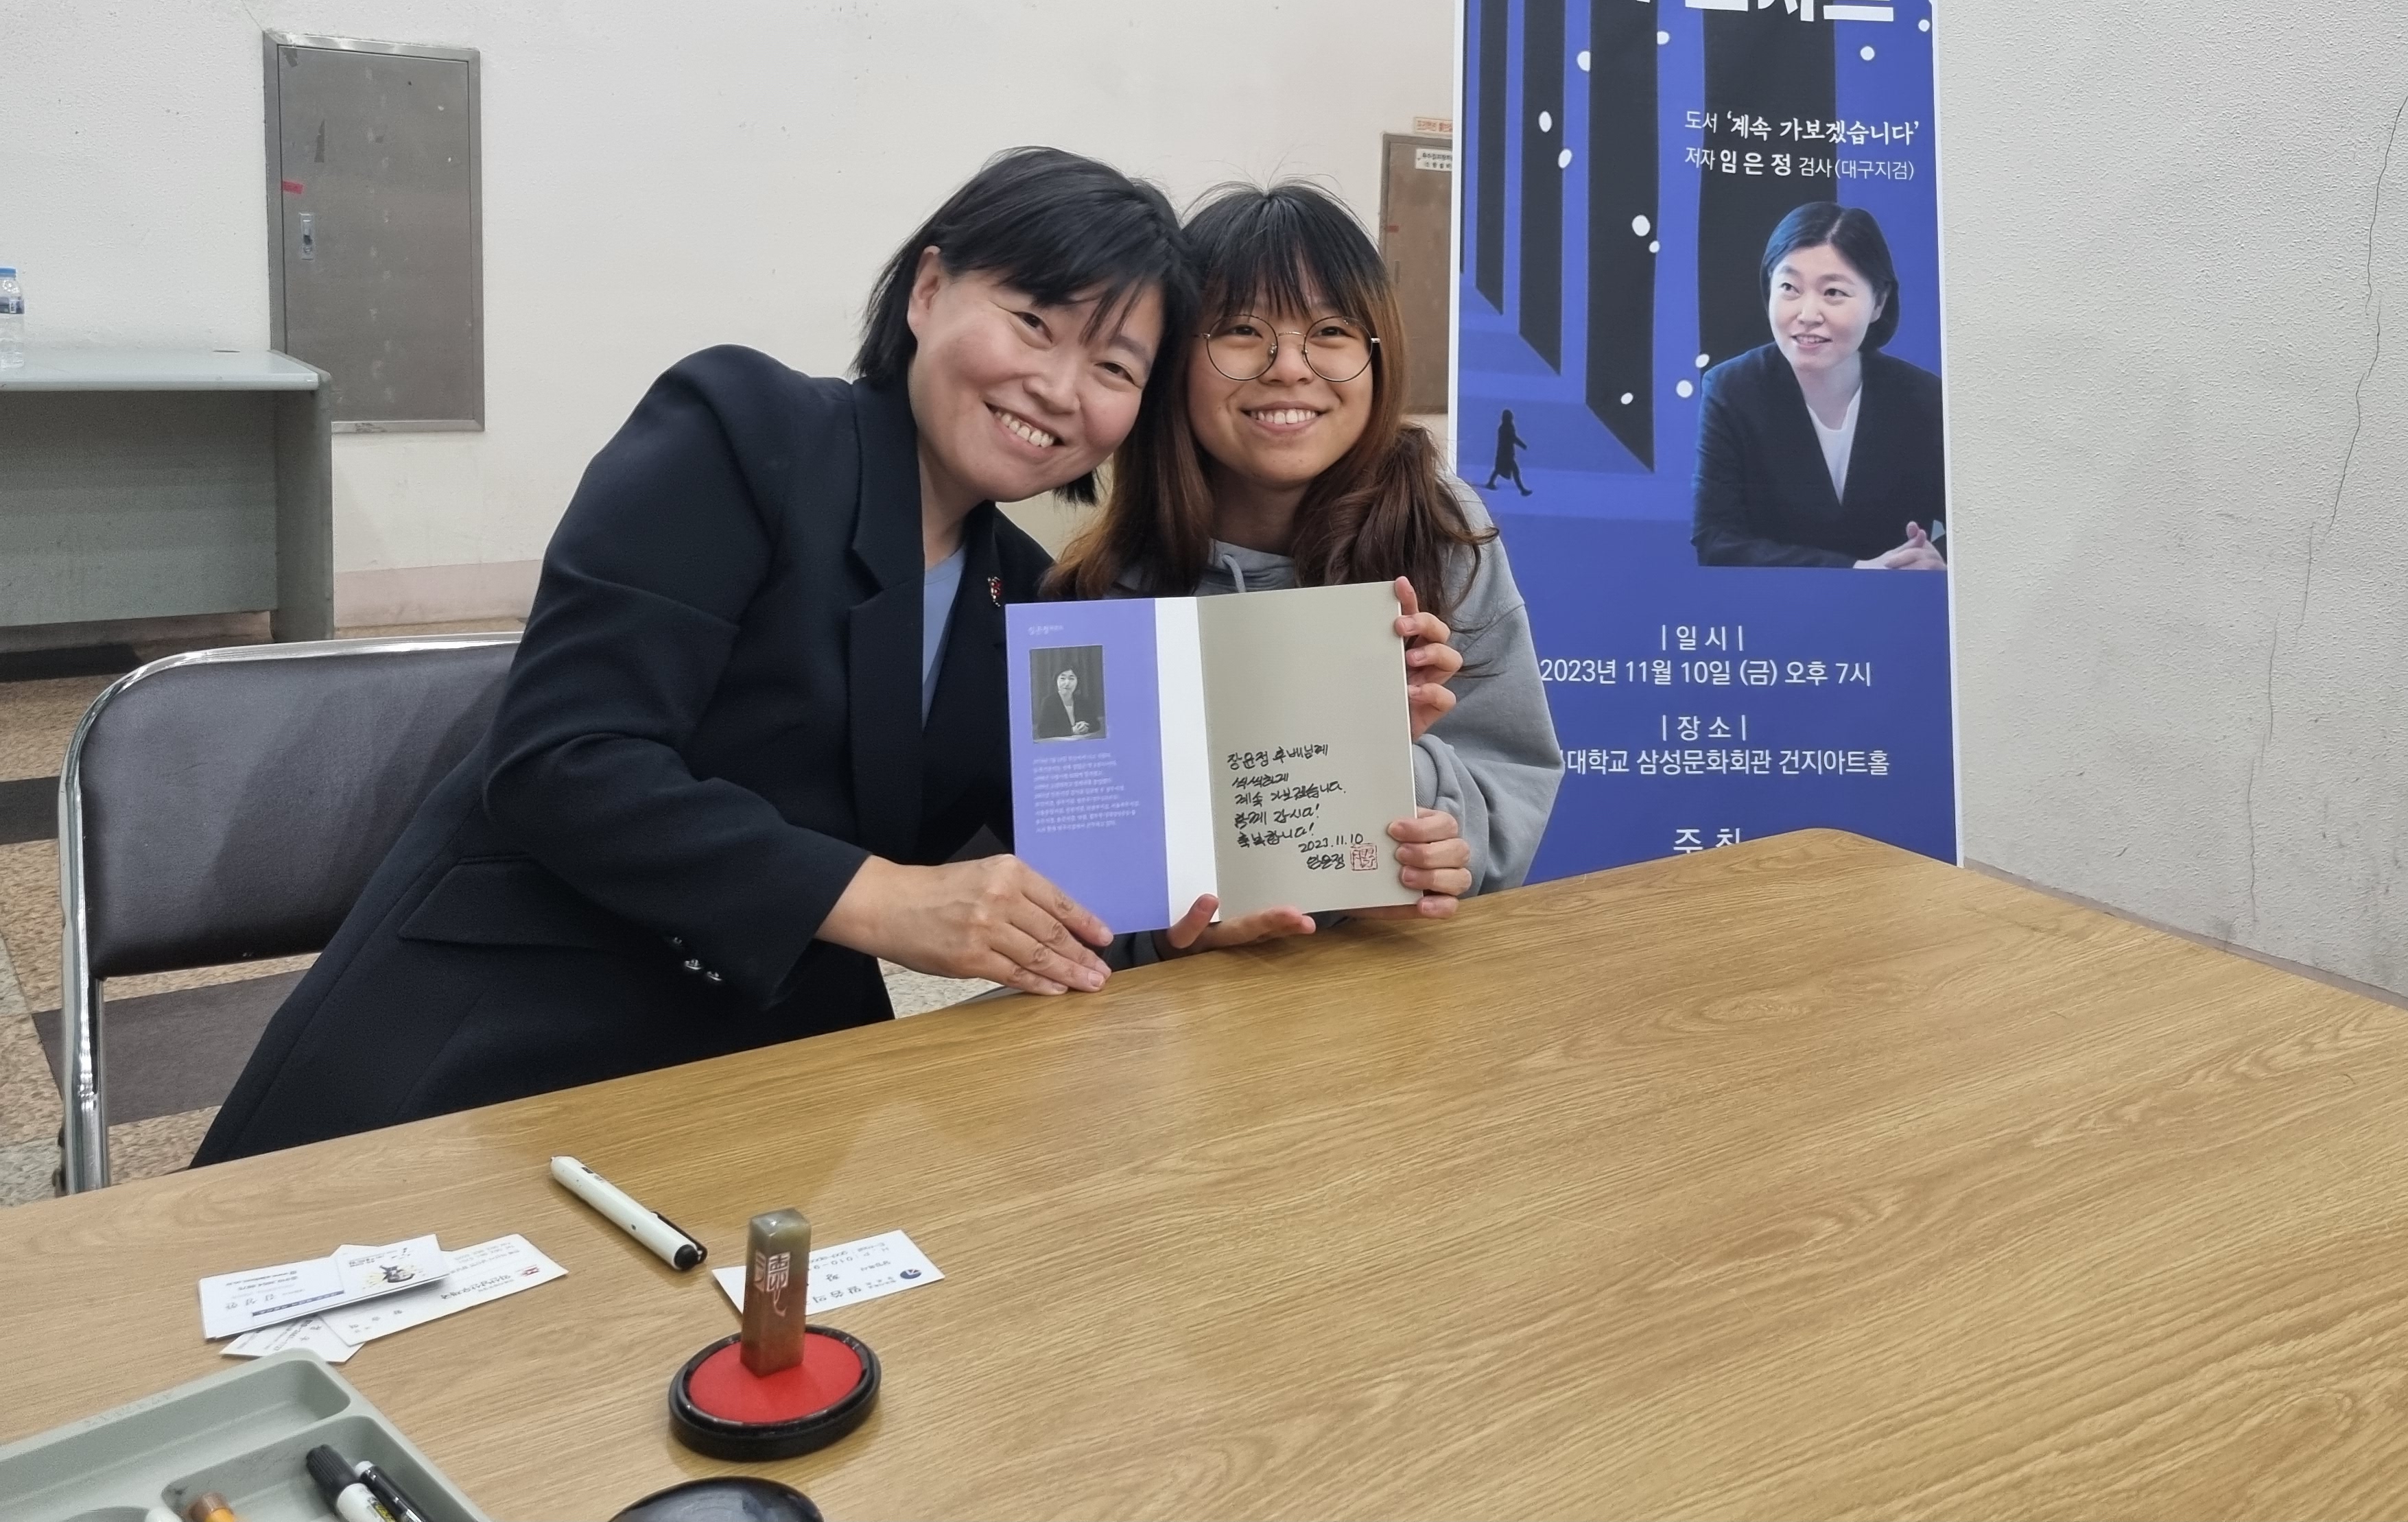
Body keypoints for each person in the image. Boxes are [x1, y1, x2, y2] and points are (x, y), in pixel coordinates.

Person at [198, 148, 1190, 1162]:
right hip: (500, 1034)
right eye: (1034, 322)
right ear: (929, 290)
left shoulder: (1030, 597)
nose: (1058, 387)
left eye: (1114, 368)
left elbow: (1099, 856)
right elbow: (564, 759)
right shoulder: (746, 428)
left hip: (760, 1069)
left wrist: (1191, 911)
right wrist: (884, 899)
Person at [1053, 182, 1561, 956]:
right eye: (1241, 330)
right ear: (1174, 357)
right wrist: (1171, 945)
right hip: (1187, 1009)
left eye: (1330, 331)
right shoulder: (1101, 597)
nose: (1289, 368)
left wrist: (1417, 809)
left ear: (1377, 354)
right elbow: (1078, 902)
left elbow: (1511, 788)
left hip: (1395, 981)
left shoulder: (1440, 532)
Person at [1690, 201, 1946, 569]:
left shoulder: (1924, 398)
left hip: (1897, 600)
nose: (1808, 315)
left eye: (1833, 293)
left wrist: (1937, 560)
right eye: (1789, 288)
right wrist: (1856, 571)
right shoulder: (1732, 389)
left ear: (1879, 302)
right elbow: (1716, 540)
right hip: (1774, 600)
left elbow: (1974, 523)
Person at [1484, 407, 1533, 496]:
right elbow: (1513, 438)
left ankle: (1491, 483)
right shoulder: (1506, 428)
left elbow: (1512, 438)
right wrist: (1522, 445)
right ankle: (1522, 490)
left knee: (1500, 469)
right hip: (1506, 454)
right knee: (1513, 471)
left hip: (1505, 453)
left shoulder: (1505, 427)